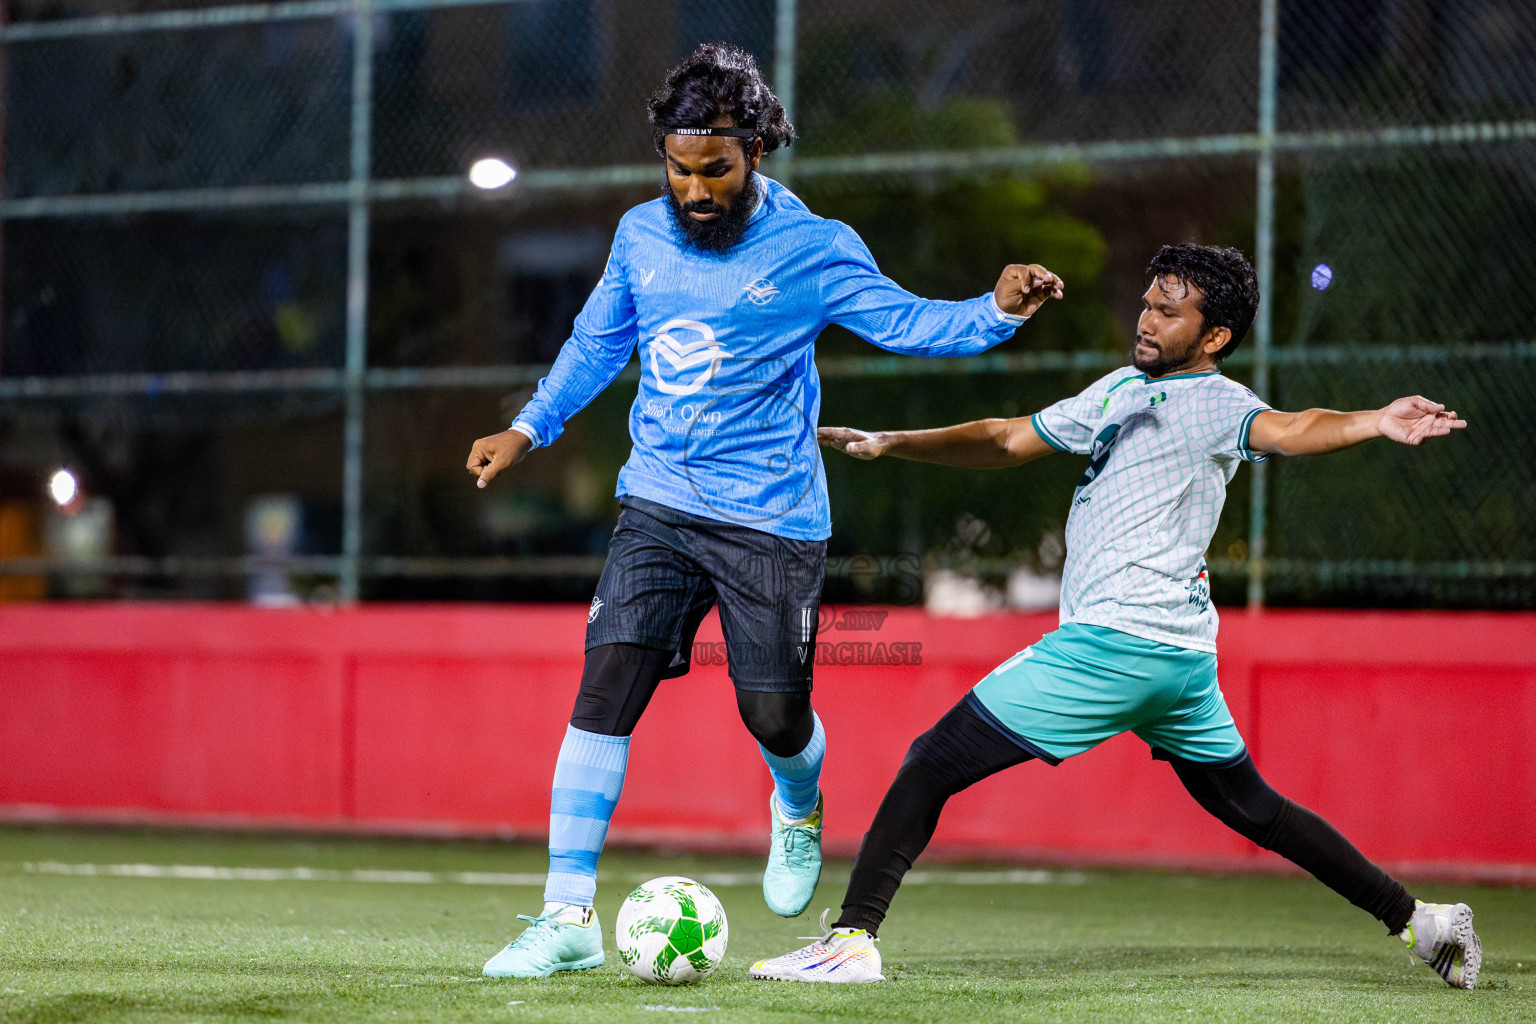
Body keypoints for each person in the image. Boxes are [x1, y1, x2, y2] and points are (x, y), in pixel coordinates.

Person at [465, 42, 1063, 979]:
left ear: (757, 152)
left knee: (774, 714)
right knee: (603, 691)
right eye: (679, 168)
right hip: (657, 501)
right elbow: (594, 343)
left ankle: (797, 800)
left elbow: (906, 322)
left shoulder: (813, 248)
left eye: (717, 170)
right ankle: (566, 913)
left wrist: (994, 309)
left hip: (771, 519)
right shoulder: (638, 235)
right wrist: (529, 428)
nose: (695, 190)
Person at [749, 243, 1482, 990]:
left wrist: (1373, 420)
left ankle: (850, 939)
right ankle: (1422, 921)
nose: (1149, 317)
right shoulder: (1123, 388)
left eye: (1172, 310)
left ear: (1215, 337)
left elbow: (1292, 429)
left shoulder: (1216, 400)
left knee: (931, 760)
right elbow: (1007, 438)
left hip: (1118, 644)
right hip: (1181, 659)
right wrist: (891, 443)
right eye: (1149, 301)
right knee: (1252, 805)